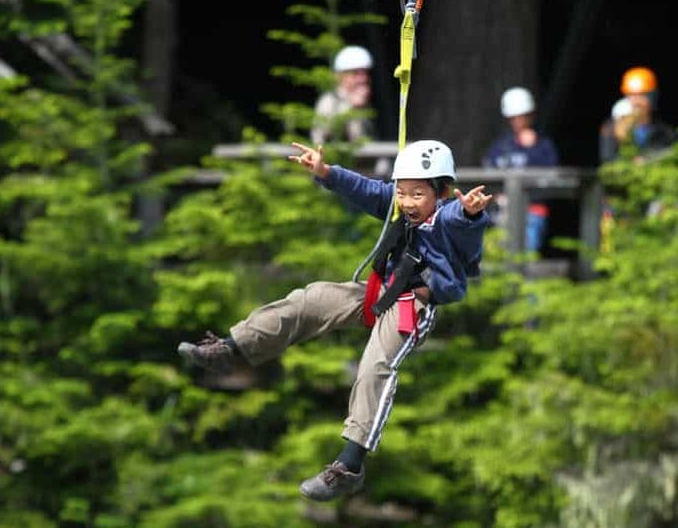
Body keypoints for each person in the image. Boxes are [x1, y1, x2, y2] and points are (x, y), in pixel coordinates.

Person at [177, 139, 491, 501]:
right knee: (311, 300)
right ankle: (231, 349)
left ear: (443, 192)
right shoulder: (397, 207)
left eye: (418, 194)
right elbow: (365, 188)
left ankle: (350, 464)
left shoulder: (450, 218)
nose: (407, 202)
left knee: (375, 366)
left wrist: (470, 213)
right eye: (402, 193)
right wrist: (326, 172)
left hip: (412, 308)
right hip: (380, 293)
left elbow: (464, 224)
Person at [483, 86, 559, 252]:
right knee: (500, 256)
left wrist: (532, 148)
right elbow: (488, 172)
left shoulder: (543, 146)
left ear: (530, 116)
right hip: (503, 212)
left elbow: (552, 176)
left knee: (527, 257)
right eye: (514, 117)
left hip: (533, 211)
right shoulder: (501, 146)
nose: (518, 121)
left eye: (522, 116)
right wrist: (497, 196)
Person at [599, 66, 676, 164]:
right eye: (631, 95)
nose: (636, 101)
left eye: (641, 95)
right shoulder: (611, 127)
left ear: (652, 96)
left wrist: (646, 160)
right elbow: (608, 160)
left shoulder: (665, 131)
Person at [311, 45, 376, 146]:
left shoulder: (367, 101)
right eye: (355, 73)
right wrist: (351, 109)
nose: (363, 79)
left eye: (365, 73)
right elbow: (321, 136)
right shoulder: (329, 101)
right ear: (339, 76)